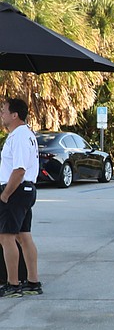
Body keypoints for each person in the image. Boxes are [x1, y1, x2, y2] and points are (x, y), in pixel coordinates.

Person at [0, 97, 42, 298]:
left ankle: (13, 284)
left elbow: (19, 169)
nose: (2, 114)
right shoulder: (24, 135)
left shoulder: (19, 136)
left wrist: (5, 194)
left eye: (4, 110)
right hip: (24, 190)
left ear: (15, 114)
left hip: (16, 191)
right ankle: (33, 282)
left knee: (6, 237)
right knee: (23, 236)